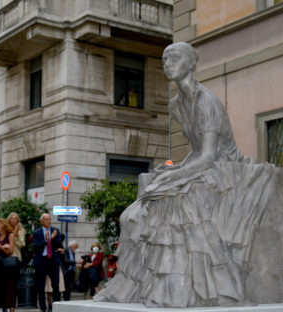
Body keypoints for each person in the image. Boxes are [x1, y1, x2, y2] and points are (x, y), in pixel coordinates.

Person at [95, 42, 273, 307]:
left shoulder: (207, 101)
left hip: (224, 167)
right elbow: (195, 151)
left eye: (174, 58)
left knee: (177, 202)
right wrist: (176, 169)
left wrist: (177, 176)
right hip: (202, 163)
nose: (168, 63)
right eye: (165, 59)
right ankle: (135, 285)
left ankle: (183, 288)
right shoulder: (177, 104)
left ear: (191, 63)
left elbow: (209, 157)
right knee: (135, 212)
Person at [32, 213, 62, 312]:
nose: (48, 221)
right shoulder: (36, 232)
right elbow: (36, 247)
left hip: (53, 260)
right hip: (41, 261)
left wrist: (54, 238)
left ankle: (56, 307)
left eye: (49, 219)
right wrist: (49, 239)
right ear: (41, 221)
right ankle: (43, 308)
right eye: (46, 219)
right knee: (41, 286)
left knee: (56, 285)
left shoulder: (55, 230)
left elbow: (59, 244)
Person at [7, 213, 25, 307]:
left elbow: (22, 244)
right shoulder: (5, 230)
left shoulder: (21, 231)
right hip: (6, 257)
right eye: (11, 218)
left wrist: (16, 234)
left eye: (15, 219)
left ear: (18, 221)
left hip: (16, 258)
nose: (13, 220)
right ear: (9, 220)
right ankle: (7, 302)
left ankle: (13, 303)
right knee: (7, 282)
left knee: (14, 282)